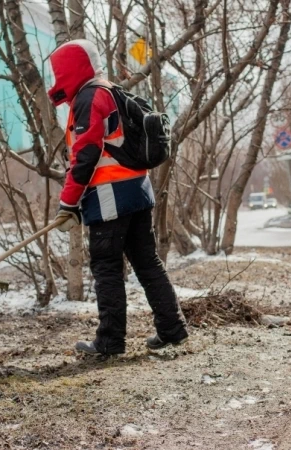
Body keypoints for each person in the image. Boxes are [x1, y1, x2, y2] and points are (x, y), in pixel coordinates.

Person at [47, 39, 189, 356]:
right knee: (147, 262)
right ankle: (172, 329)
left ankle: (110, 343)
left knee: (107, 267)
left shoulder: (88, 97)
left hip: (110, 195)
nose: (55, 79)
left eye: (57, 71)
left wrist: (68, 203)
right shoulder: (108, 89)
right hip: (137, 190)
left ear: (70, 69)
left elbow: (85, 155)